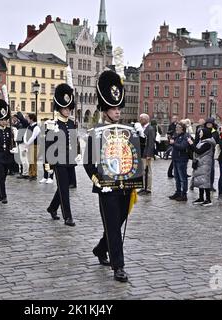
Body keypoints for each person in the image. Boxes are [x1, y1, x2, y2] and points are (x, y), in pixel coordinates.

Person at [84, 70, 143, 283]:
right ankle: (119, 267)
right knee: (112, 225)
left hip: (126, 185)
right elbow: (88, 163)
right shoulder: (96, 133)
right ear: (105, 110)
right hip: (107, 187)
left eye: (119, 108)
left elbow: (134, 157)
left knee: (115, 224)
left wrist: (141, 139)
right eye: (113, 108)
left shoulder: (128, 130)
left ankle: (101, 248)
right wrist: (98, 181)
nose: (117, 112)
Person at [45, 84, 79, 227]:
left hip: (69, 159)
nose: (68, 111)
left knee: (65, 186)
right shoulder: (53, 124)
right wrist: (48, 163)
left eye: (69, 108)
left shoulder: (72, 123)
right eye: (65, 108)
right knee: (64, 188)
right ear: (60, 108)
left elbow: (74, 140)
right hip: (58, 160)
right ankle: (68, 217)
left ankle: (52, 207)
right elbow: (48, 145)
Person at [188, 128, 216, 207]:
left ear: (205, 133)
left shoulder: (208, 143)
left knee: (205, 181)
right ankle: (201, 198)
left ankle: (208, 199)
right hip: (200, 163)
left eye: (200, 132)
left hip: (205, 164)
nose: (199, 134)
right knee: (200, 180)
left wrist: (191, 143)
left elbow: (198, 151)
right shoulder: (202, 141)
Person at [168, 122, 191, 202]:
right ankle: (178, 192)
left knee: (183, 178)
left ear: (182, 128)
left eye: (178, 127)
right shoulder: (176, 135)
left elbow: (182, 147)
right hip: (175, 158)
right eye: (176, 127)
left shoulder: (186, 136)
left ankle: (184, 194)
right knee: (177, 177)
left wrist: (174, 143)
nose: (176, 128)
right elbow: (174, 145)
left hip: (182, 159)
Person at [138, 113, 156, 195]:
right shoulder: (142, 128)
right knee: (142, 171)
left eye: (141, 119)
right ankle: (143, 187)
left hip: (146, 154)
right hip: (142, 153)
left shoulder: (150, 129)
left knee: (147, 171)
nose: (140, 120)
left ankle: (148, 189)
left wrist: (149, 154)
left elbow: (151, 143)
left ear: (146, 119)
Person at [24, 114, 41, 181]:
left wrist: (27, 143)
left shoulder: (36, 127)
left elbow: (33, 137)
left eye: (28, 118)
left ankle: (34, 174)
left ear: (31, 119)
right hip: (29, 145)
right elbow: (25, 135)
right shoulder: (29, 127)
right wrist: (26, 142)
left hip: (35, 145)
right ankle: (30, 173)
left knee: (33, 160)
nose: (27, 119)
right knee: (30, 160)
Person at [15, 112, 30, 179]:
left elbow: (21, 119)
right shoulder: (22, 123)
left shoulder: (25, 122)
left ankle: (25, 173)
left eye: (27, 116)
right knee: (23, 158)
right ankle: (24, 172)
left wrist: (18, 113)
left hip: (23, 143)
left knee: (24, 159)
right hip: (21, 142)